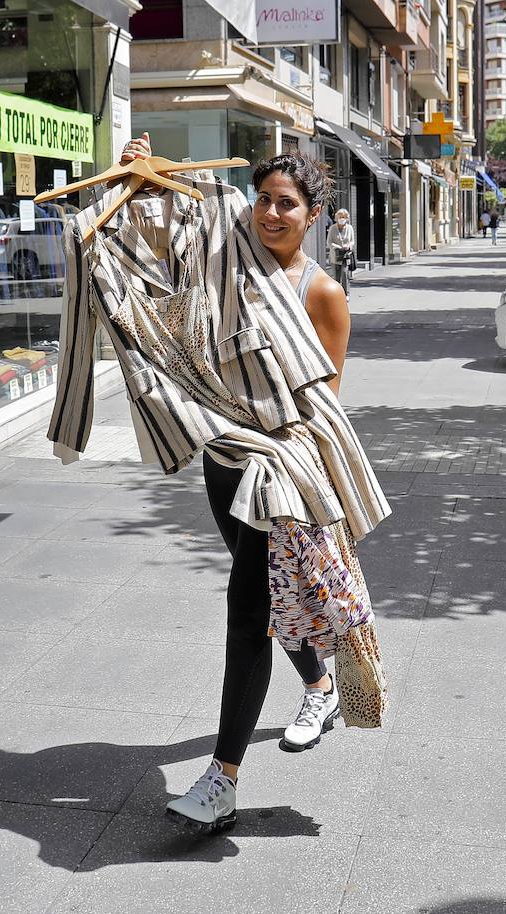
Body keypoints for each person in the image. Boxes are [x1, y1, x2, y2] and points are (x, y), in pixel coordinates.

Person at [106, 134, 390, 834]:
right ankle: (319, 687)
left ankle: (221, 778)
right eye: (262, 199)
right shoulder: (225, 262)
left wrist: (298, 480)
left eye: (285, 204)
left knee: (245, 610)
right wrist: (142, 166)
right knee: (263, 593)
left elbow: (318, 404)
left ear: (314, 214)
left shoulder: (322, 294)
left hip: (280, 472)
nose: (270, 212)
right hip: (223, 458)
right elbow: (162, 241)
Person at [326, 207, 356, 294]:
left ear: (346, 218)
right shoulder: (332, 228)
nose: (342, 219)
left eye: (344, 217)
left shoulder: (349, 228)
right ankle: (336, 294)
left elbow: (352, 241)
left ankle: (346, 293)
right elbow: (329, 242)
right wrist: (338, 247)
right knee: (336, 276)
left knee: (344, 274)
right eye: (340, 217)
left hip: (345, 256)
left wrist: (349, 245)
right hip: (335, 255)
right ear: (336, 218)